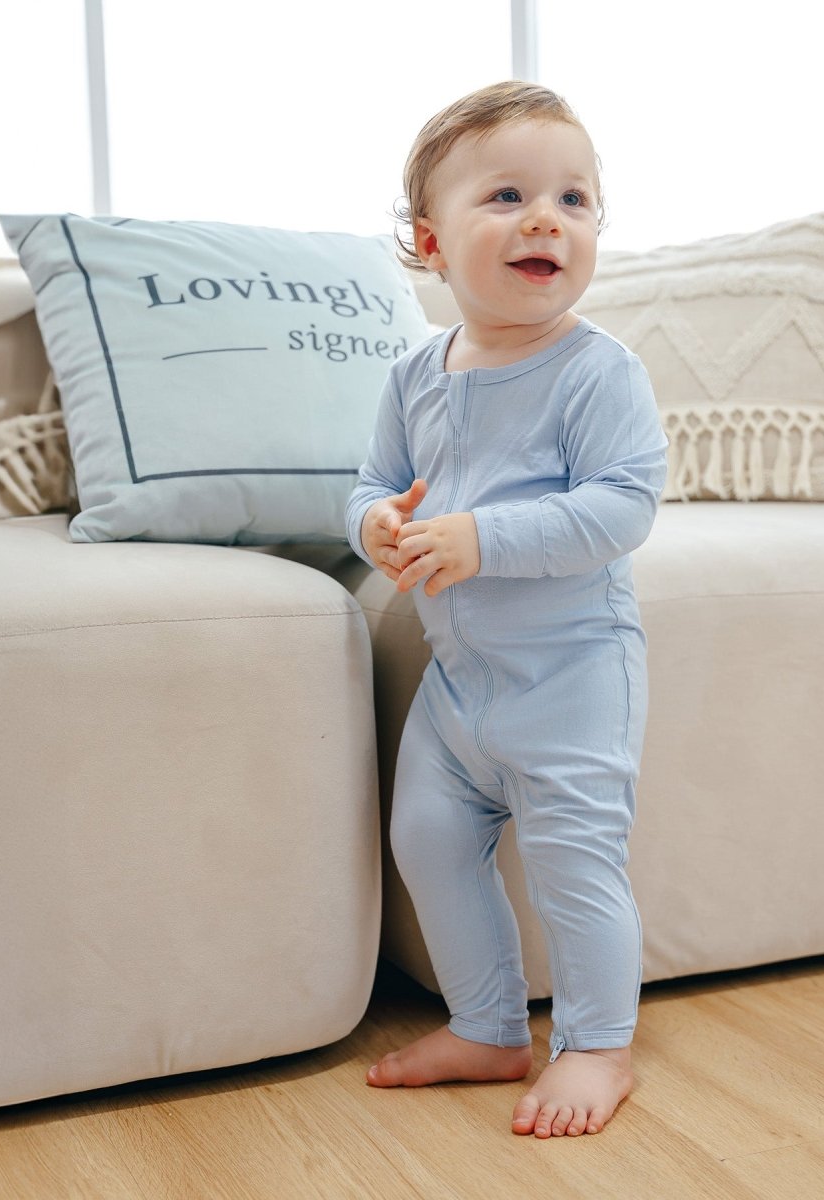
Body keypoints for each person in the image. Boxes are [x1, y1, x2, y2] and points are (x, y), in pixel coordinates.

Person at [345, 80, 668, 1139]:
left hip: (571, 675)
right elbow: (373, 482)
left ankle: (596, 1045)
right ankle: (488, 1027)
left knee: (579, 869)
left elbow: (621, 508)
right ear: (432, 245)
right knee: (429, 836)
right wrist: (374, 529)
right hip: (461, 686)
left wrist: (481, 538)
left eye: (576, 199)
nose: (548, 219)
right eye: (511, 195)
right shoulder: (414, 374)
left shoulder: (596, 371)